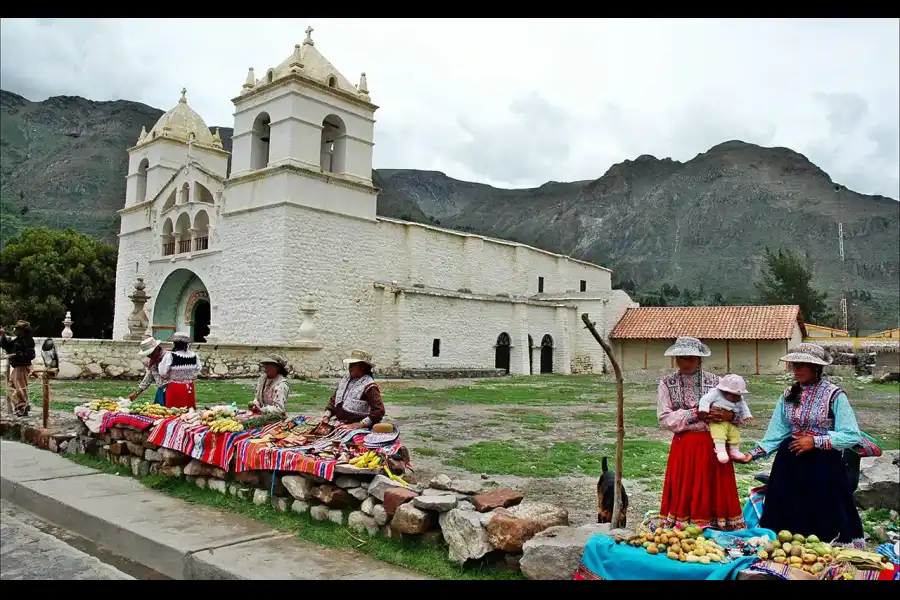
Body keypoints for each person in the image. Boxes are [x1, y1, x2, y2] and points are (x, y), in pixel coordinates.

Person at [738, 343, 865, 546]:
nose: (797, 369)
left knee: (821, 513)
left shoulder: (834, 395)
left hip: (823, 466)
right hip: (790, 463)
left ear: (817, 368)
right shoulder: (788, 394)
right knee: (786, 513)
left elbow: (851, 435)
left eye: (803, 365)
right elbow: (777, 432)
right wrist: (753, 454)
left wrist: (814, 441)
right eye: (795, 364)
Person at [656, 337, 745, 531]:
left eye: (690, 358)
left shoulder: (718, 382)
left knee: (713, 491)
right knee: (687, 489)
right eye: (681, 358)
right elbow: (664, 419)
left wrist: (727, 414)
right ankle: (684, 528)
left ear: (699, 359)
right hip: (685, 447)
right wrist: (694, 413)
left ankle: (718, 527)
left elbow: (739, 412)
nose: (685, 363)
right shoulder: (667, 383)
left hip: (714, 445)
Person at [322, 349, 385, 429]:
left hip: (357, 427)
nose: (350, 367)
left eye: (354, 364)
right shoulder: (345, 380)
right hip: (340, 423)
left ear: (363, 367)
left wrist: (360, 424)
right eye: (350, 364)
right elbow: (334, 400)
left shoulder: (369, 386)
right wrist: (327, 416)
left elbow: (379, 411)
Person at [698, 374, 753, 464]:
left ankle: (734, 451)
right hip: (717, 421)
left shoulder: (739, 398)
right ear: (724, 391)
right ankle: (720, 451)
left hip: (731, 422)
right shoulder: (716, 394)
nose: (735, 398)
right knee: (719, 434)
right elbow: (705, 400)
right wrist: (703, 410)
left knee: (735, 434)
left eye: (737, 395)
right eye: (732, 395)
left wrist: (747, 415)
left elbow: (744, 406)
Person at [1, 321, 36, 417]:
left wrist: (15, 355)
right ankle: (20, 406)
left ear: (22, 331)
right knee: (11, 386)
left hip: (22, 366)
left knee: (20, 387)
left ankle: (23, 407)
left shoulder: (28, 340)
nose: (15, 331)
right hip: (17, 366)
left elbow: (30, 355)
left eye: (17, 329)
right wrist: (3, 336)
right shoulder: (18, 339)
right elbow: (8, 347)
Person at [157, 332, 201, 409]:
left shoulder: (170, 356)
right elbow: (198, 369)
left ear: (174, 343)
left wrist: (170, 376)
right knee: (188, 413)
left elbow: (162, 372)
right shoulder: (194, 356)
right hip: (189, 387)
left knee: (174, 411)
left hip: (175, 388)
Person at [128, 337, 169, 405]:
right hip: (161, 390)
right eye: (147, 354)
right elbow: (149, 378)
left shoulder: (167, 357)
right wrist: (136, 393)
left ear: (156, 349)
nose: (149, 356)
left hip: (170, 391)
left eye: (150, 353)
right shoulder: (153, 361)